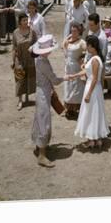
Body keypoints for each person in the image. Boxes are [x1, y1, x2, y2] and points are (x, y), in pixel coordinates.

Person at [30, 34, 66, 167]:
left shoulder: (38, 58)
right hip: (43, 93)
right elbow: (55, 80)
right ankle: (42, 155)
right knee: (44, 122)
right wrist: (66, 78)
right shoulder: (43, 62)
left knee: (40, 120)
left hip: (42, 90)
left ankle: (39, 147)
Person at [68, 35, 110, 149]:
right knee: (94, 112)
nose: (86, 47)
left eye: (87, 45)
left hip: (92, 88)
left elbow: (95, 78)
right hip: (93, 88)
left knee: (91, 113)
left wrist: (88, 94)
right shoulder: (94, 58)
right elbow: (87, 72)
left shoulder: (95, 60)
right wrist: (74, 75)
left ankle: (92, 140)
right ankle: (96, 139)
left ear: (92, 46)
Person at [12, 13, 37, 110]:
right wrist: (13, 61)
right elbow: (14, 48)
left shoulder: (32, 32)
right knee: (20, 79)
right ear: (20, 22)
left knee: (29, 78)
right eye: (24, 20)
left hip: (30, 59)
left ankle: (27, 97)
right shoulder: (15, 33)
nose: (26, 22)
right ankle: (20, 100)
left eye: (27, 20)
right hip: (20, 60)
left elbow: (36, 44)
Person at [63, 22, 86, 119]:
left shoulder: (82, 42)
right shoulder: (69, 40)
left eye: (75, 31)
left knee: (77, 88)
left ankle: (76, 109)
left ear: (79, 31)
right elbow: (63, 47)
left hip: (76, 67)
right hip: (68, 66)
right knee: (68, 87)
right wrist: (67, 38)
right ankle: (69, 109)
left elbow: (87, 52)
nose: (73, 33)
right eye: (72, 31)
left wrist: (82, 58)